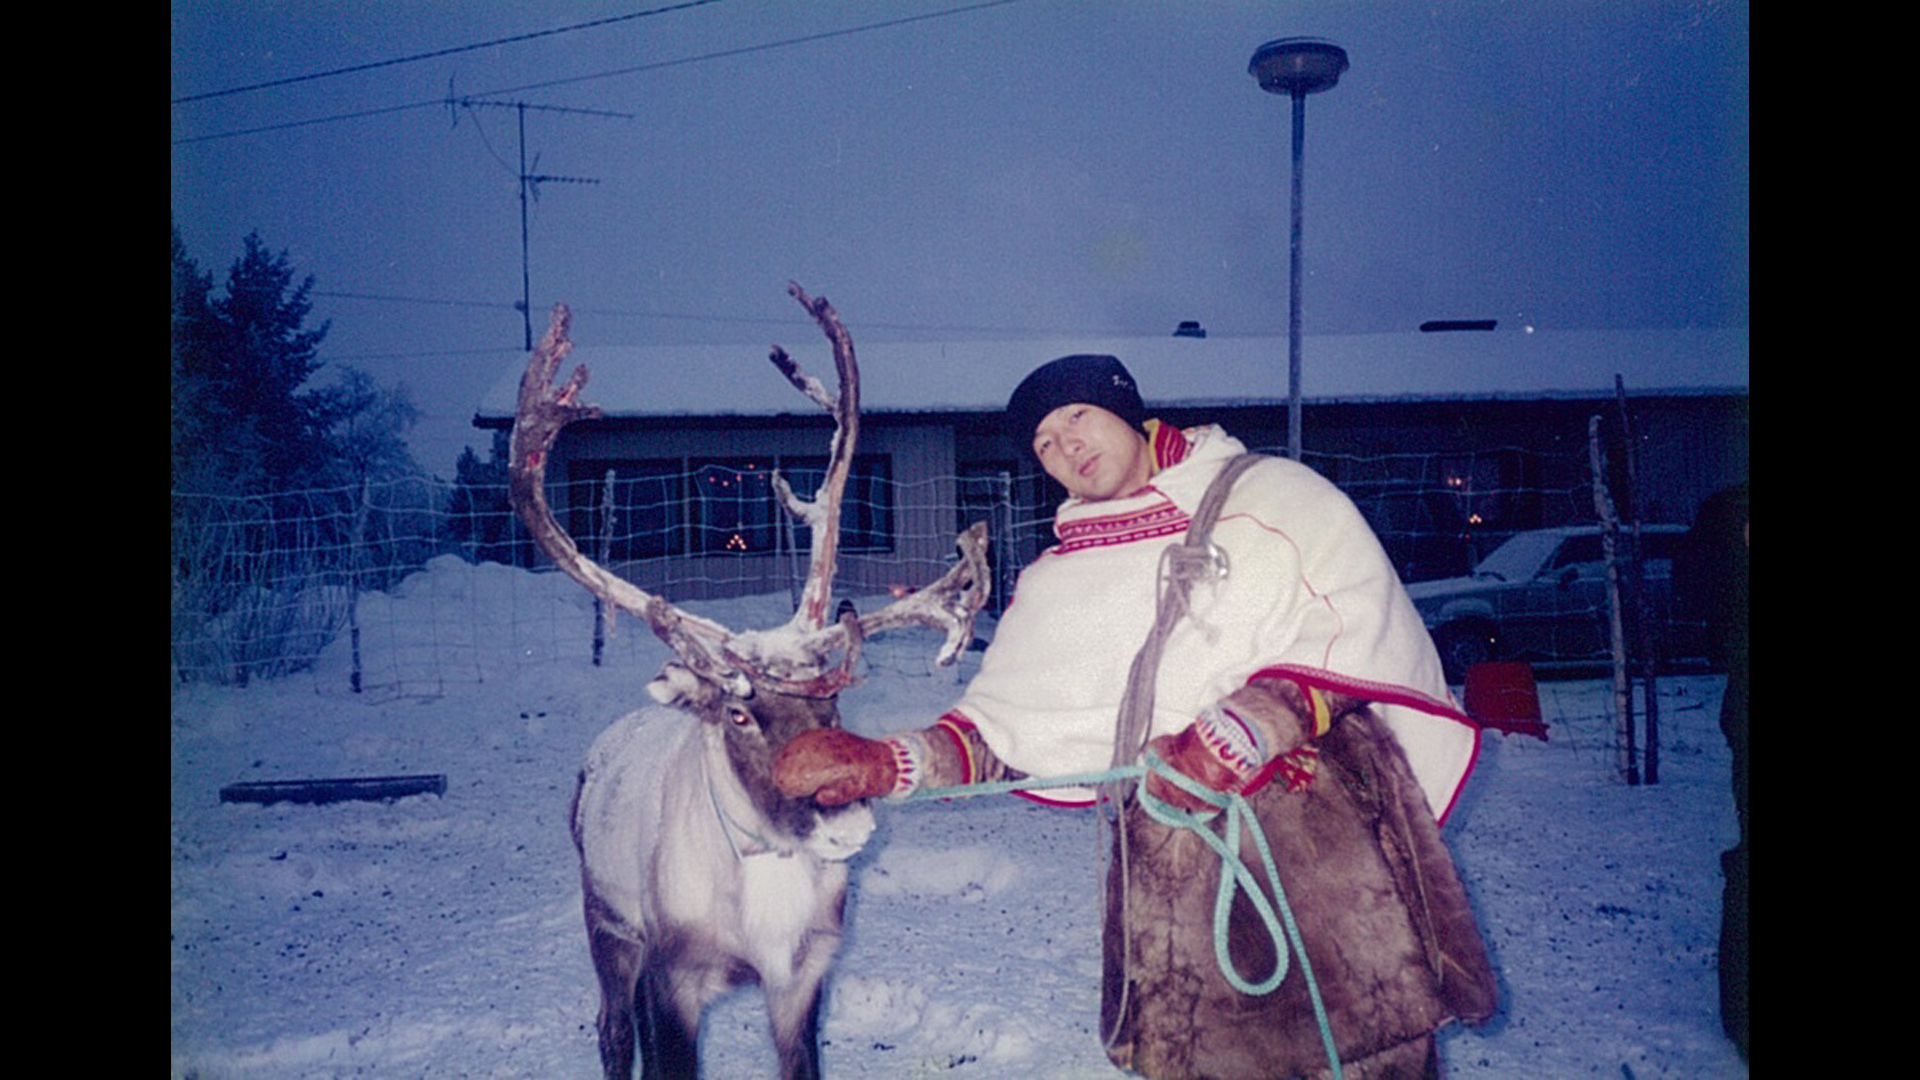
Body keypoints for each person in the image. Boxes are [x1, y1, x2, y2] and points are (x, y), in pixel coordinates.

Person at [776, 354, 1497, 1078]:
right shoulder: (1060, 580)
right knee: (1215, 1059)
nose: (1067, 447)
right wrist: (882, 762)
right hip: (1174, 879)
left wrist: (1251, 724)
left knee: (1367, 1050)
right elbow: (1001, 733)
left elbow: (1354, 622)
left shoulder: (1273, 497)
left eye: (1077, 418)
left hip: (1323, 848)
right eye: (1045, 445)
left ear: (1128, 411)